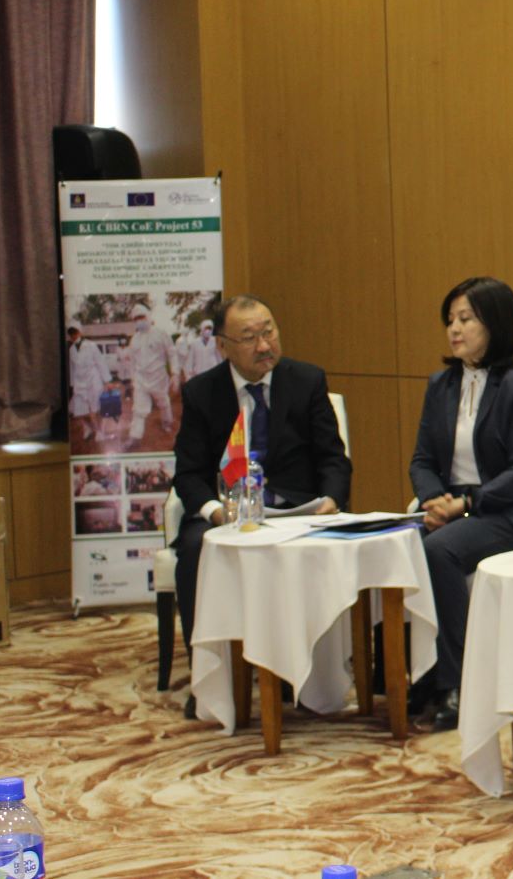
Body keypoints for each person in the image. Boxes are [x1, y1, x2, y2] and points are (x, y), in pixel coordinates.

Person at [171, 294, 352, 714]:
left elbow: (333, 458)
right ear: (223, 346)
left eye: (268, 331)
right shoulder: (202, 393)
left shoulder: (306, 380)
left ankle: (313, 677)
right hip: (228, 512)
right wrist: (216, 513)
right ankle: (211, 679)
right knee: (194, 549)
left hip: (298, 510)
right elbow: (188, 473)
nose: (264, 345)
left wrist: (331, 499)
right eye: (249, 337)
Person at [410, 277, 513, 731]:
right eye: (450, 319)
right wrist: (434, 500)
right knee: (388, 542)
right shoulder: (441, 384)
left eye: (466, 319)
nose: (454, 329)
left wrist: (466, 503)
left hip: (504, 514)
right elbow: (423, 459)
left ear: (496, 324)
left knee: (438, 551)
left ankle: (457, 682)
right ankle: (408, 676)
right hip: (448, 507)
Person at [125, 303, 178, 447]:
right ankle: (134, 437)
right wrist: (132, 379)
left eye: (141, 317)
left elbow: (172, 353)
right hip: (141, 379)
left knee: (163, 403)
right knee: (138, 409)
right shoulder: (134, 339)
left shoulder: (161, 333)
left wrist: (175, 373)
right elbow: (132, 362)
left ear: (148, 317)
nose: (139, 321)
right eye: (136, 319)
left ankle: (167, 423)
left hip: (158, 377)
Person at [67, 326, 109, 444]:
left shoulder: (91, 345)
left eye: (75, 333)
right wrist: (72, 383)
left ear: (80, 332)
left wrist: (107, 380)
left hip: (93, 380)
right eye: (71, 334)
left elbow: (100, 362)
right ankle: (89, 428)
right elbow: (72, 367)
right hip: (79, 382)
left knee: (97, 408)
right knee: (80, 410)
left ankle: (100, 432)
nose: (73, 336)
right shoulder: (71, 349)